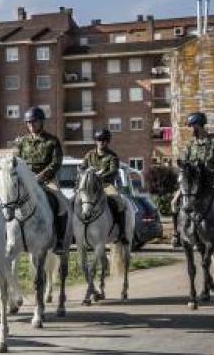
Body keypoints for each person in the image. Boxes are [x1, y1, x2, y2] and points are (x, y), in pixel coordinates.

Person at [172, 112, 214, 248]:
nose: (191, 129)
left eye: (192, 126)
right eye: (190, 126)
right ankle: (176, 234)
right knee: (174, 202)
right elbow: (184, 161)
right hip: (194, 183)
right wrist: (183, 165)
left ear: (200, 125)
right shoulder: (191, 144)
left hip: (213, 179)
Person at [12, 107, 69, 254]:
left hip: (47, 180)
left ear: (41, 122)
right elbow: (17, 161)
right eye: (28, 122)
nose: (31, 125)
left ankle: (60, 241)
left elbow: (56, 162)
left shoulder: (52, 141)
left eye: (34, 122)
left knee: (61, 203)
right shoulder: (22, 141)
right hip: (26, 180)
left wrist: (41, 176)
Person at [82, 129, 128, 244]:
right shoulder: (89, 155)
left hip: (106, 184)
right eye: (99, 140)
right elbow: (82, 168)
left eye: (104, 141)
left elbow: (113, 171)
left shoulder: (112, 156)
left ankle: (122, 232)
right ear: (95, 141)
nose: (101, 143)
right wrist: (87, 172)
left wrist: (100, 177)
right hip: (91, 185)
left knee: (119, 201)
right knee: (76, 199)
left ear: (108, 142)